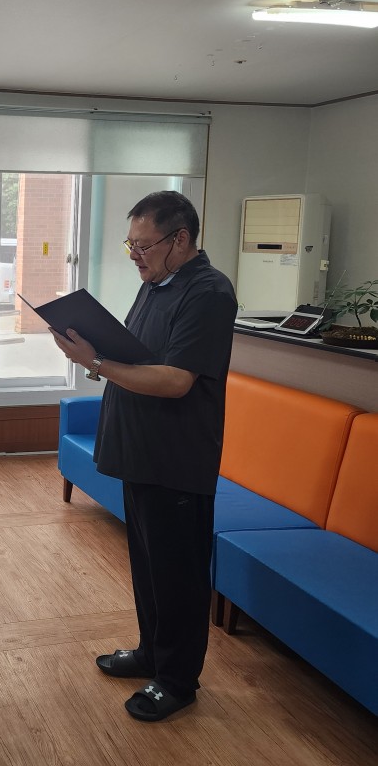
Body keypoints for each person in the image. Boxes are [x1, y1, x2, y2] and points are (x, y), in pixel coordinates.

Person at [52, 191, 237, 722]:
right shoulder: (156, 284)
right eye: (129, 245)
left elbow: (177, 380)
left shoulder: (209, 293)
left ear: (180, 239)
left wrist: (96, 362)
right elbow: (138, 358)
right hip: (140, 450)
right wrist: (95, 353)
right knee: (149, 566)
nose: (134, 255)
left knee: (178, 575)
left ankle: (177, 680)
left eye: (143, 245)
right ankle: (153, 652)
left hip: (176, 458)